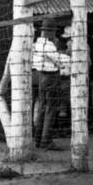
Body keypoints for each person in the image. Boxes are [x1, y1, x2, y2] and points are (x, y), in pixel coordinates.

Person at [32, 18, 62, 150]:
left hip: (41, 77)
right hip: (51, 77)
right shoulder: (49, 46)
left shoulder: (37, 44)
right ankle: (46, 140)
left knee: (42, 108)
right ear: (50, 32)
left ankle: (38, 139)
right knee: (51, 109)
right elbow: (60, 61)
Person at [57, 25, 72, 126]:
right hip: (68, 80)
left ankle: (61, 123)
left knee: (61, 102)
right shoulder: (68, 57)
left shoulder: (57, 57)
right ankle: (68, 122)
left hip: (59, 80)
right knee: (68, 100)